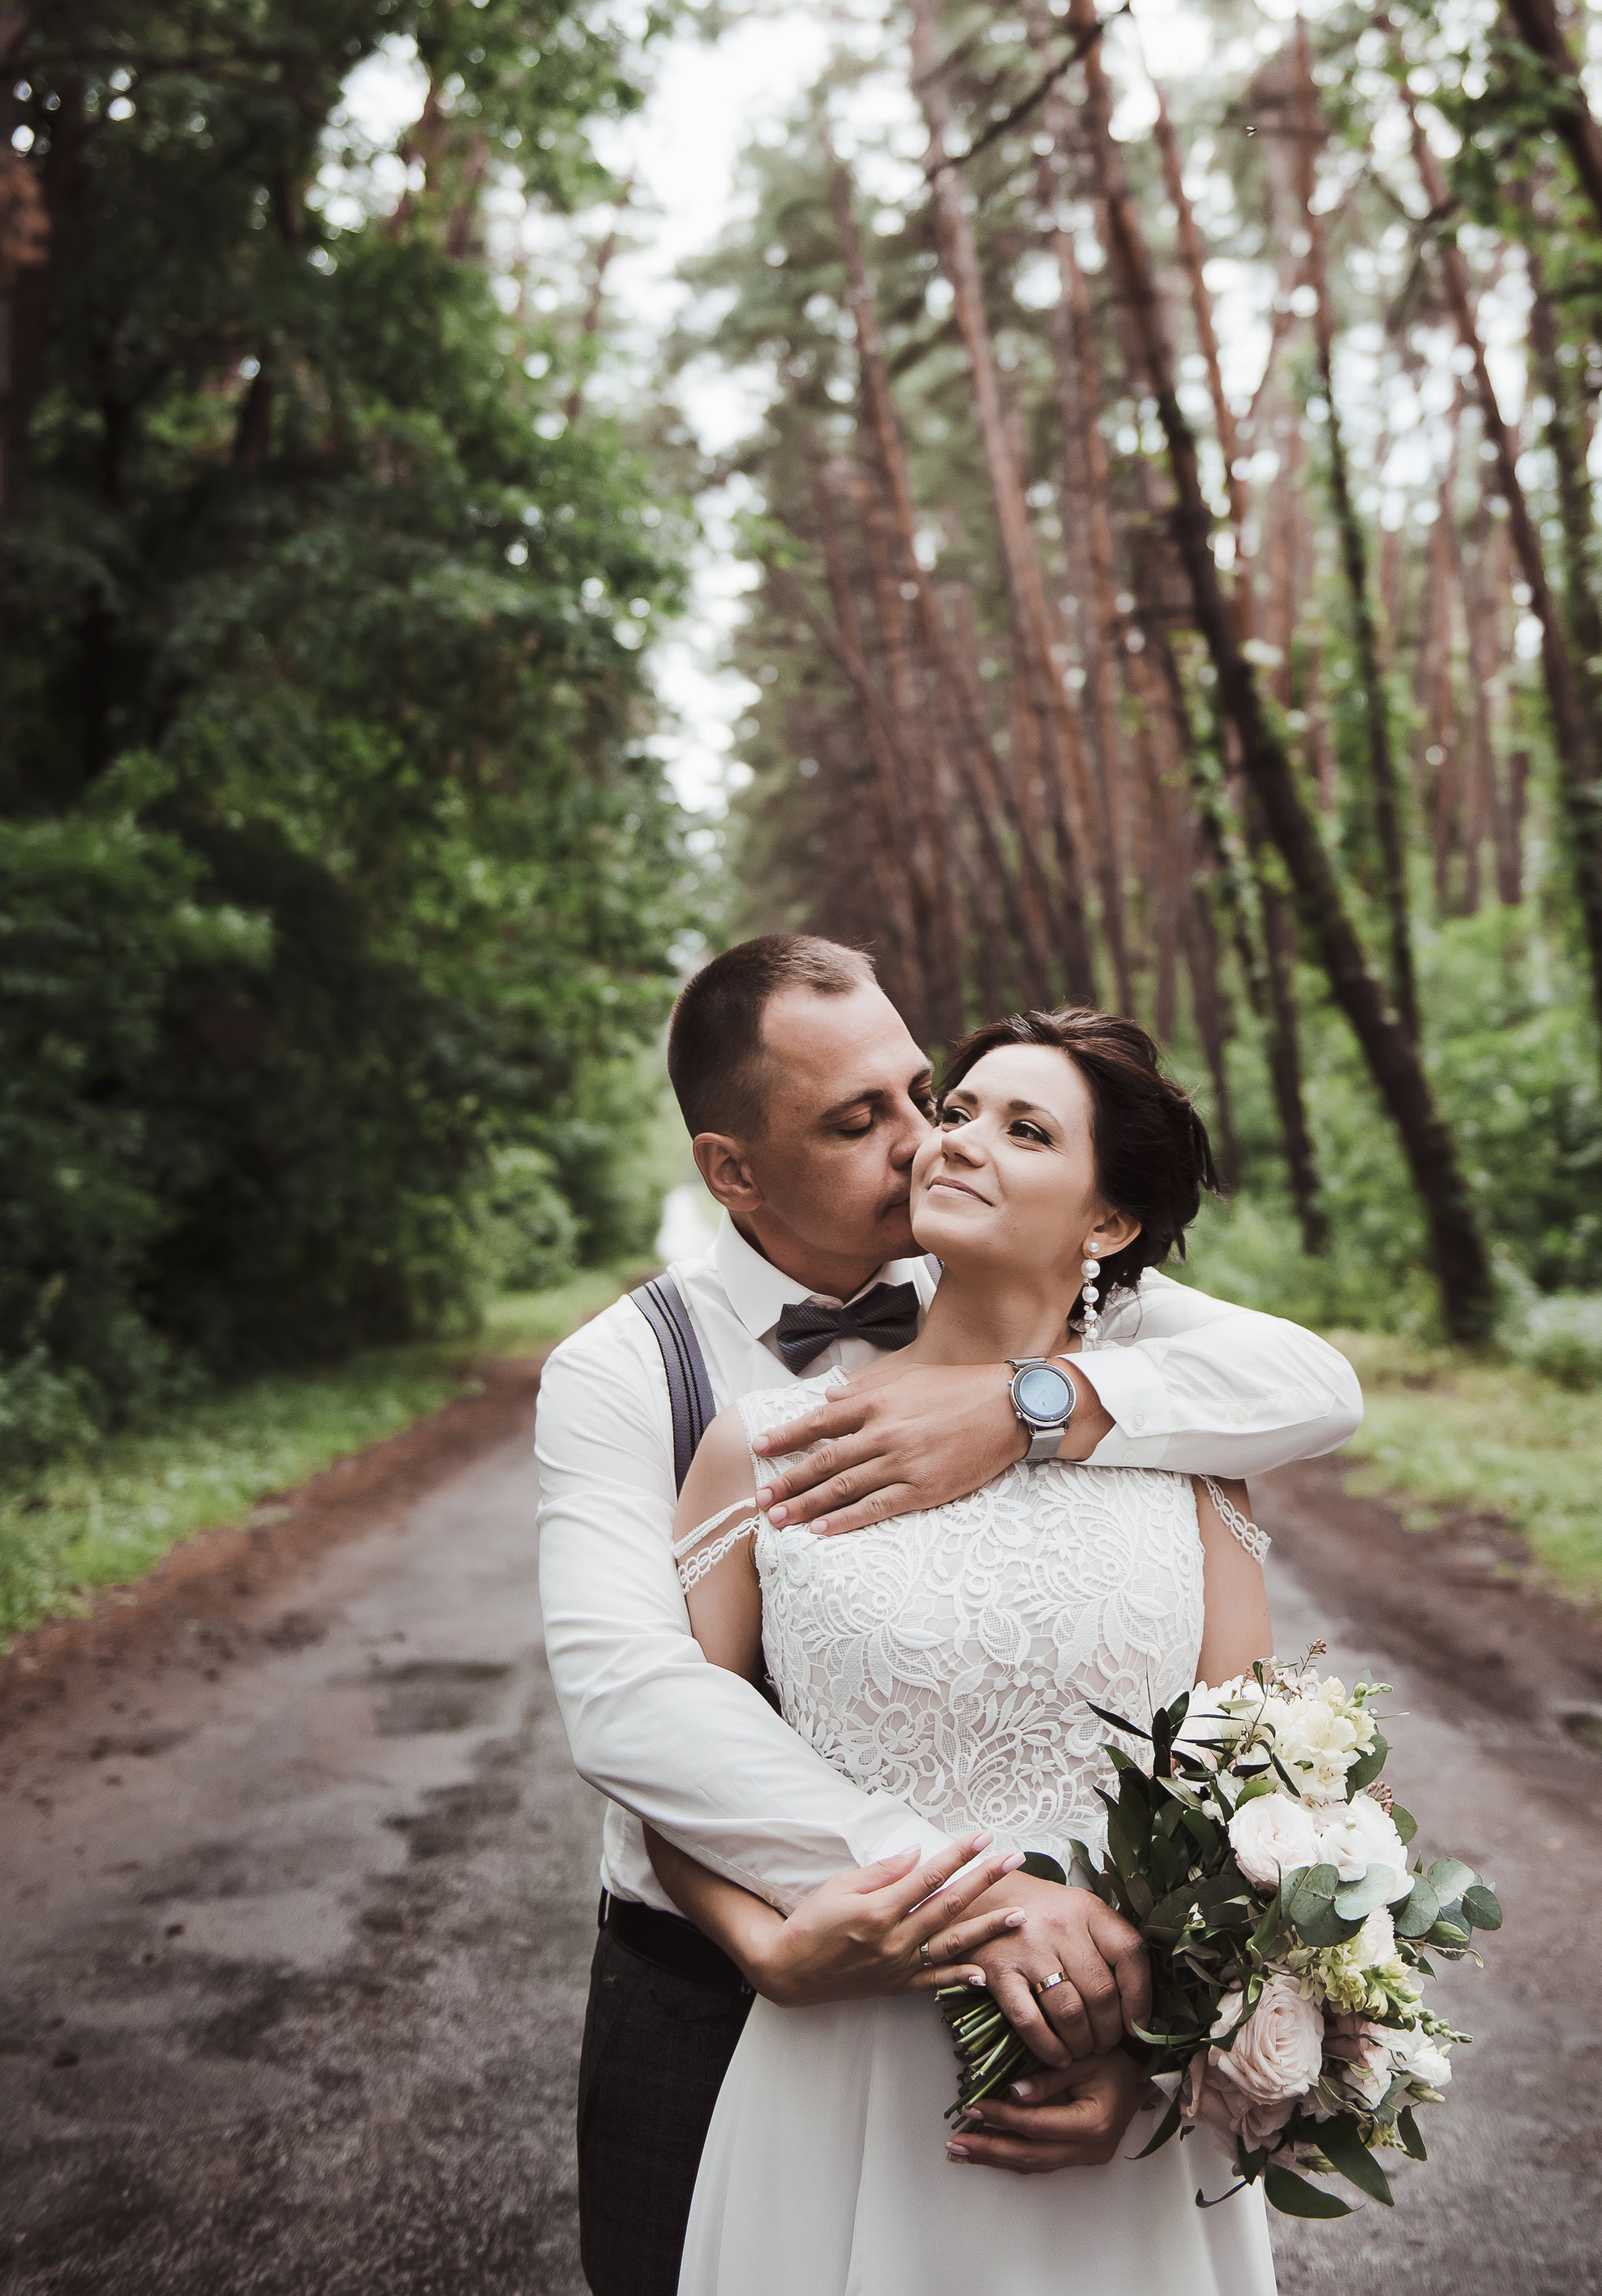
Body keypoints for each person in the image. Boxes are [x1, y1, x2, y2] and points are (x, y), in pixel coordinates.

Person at [537, 935, 1359, 2296]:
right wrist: (892, 1919)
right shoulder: (634, 1374)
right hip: (729, 1975)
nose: (929, 1139)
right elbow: (639, 1707)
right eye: (860, 1119)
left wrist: (1033, 1407)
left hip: (1089, 2011)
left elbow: (1318, 1387)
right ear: (734, 1170)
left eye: (928, 1094)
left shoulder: (1080, 1309)